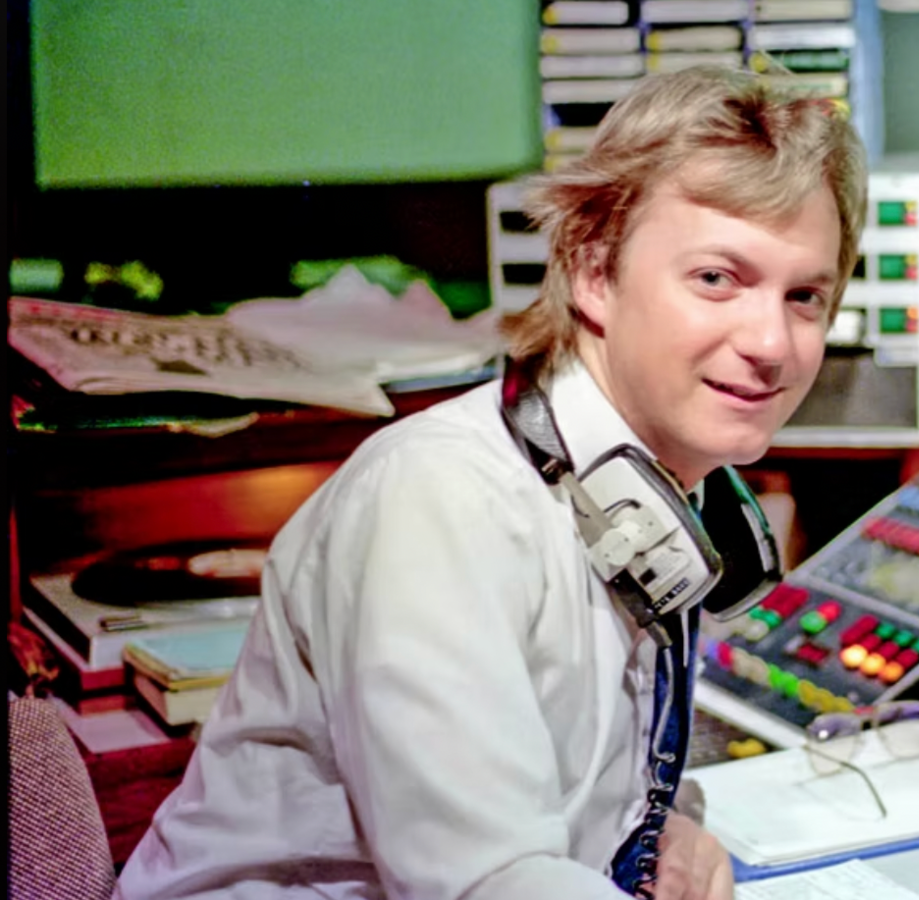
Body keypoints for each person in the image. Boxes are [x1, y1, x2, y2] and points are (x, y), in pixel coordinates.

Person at [115, 65, 868, 900]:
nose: (770, 342)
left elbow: (578, 770)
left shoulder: (654, 495)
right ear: (592, 270)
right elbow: (486, 883)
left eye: (805, 296)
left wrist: (670, 824)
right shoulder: (440, 498)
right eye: (716, 279)